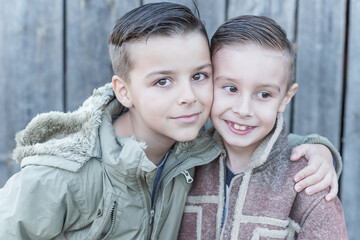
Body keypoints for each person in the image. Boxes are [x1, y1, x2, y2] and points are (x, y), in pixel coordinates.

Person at [0, 3, 341, 240]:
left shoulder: (193, 152)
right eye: (163, 81)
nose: (188, 97)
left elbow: (257, 144)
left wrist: (318, 149)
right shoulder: (62, 176)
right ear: (124, 91)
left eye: (198, 75)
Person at [178, 15, 347, 239]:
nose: (244, 109)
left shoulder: (308, 182)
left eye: (264, 94)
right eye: (230, 88)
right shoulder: (183, 163)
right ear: (208, 83)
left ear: (286, 98)